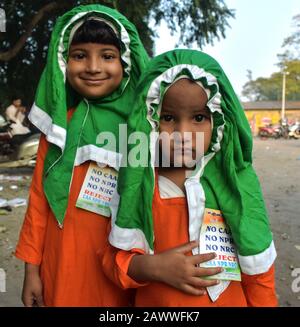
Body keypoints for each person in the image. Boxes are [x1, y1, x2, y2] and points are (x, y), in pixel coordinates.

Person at [106, 49, 278, 307]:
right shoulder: (137, 187)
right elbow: (111, 261)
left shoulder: (238, 189)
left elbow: (260, 273)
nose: (183, 133)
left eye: (199, 118)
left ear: (221, 122)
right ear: (148, 119)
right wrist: (154, 267)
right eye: (168, 117)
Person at [15, 4, 148, 307]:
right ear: (63, 62)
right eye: (79, 55)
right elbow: (39, 201)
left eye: (107, 56)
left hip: (123, 269)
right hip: (61, 264)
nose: (92, 66)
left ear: (127, 61)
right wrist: (31, 271)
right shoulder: (60, 127)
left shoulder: (143, 128)